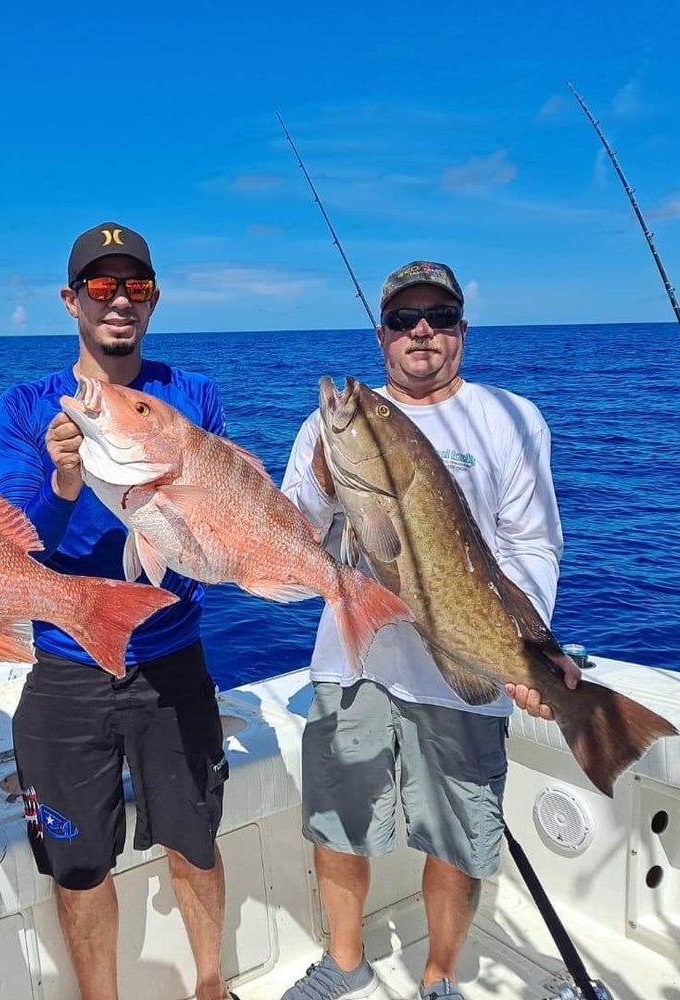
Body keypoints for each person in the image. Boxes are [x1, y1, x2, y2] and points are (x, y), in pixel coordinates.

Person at [279, 261, 577, 1000]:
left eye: (438, 317)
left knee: (458, 833)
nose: (421, 332)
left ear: (461, 332)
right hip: (353, 659)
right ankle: (343, 963)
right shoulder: (329, 422)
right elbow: (294, 543)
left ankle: (439, 976)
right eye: (404, 318)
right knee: (337, 823)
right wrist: (322, 474)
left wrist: (524, 652)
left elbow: (531, 545)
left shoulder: (510, 416)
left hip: (466, 663)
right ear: (381, 334)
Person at [0, 223, 232, 1000]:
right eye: (100, 286)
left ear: (154, 298)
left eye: (135, 286)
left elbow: (217, 518)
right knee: (79, 864)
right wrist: (62, 482)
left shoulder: (192, 395)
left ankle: (208, 985)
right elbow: (17, 547)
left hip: (171, 657)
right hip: (67, 662)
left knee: (194, 842)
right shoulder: (28, 406)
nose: (118, 300)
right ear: (70, 301)